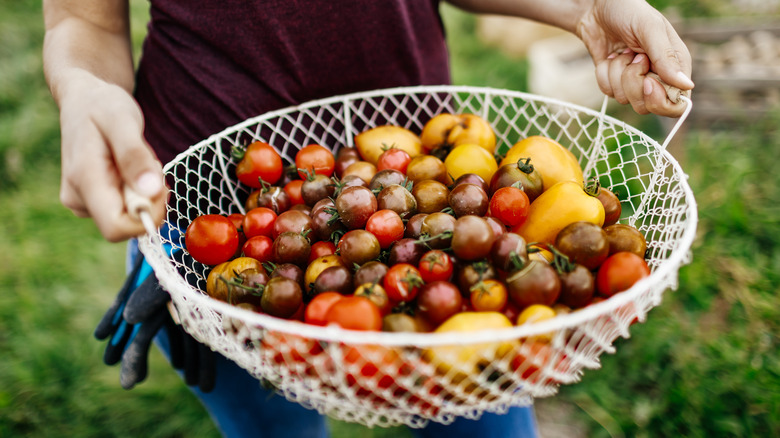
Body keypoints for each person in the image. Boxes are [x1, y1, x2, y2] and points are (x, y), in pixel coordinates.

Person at [42, 1, 693, 437]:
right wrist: (81, 87)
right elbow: (82, 20)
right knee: (275, 428)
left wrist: (583, 7)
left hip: (423, 179)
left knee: (484, 420)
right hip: (217, 220)